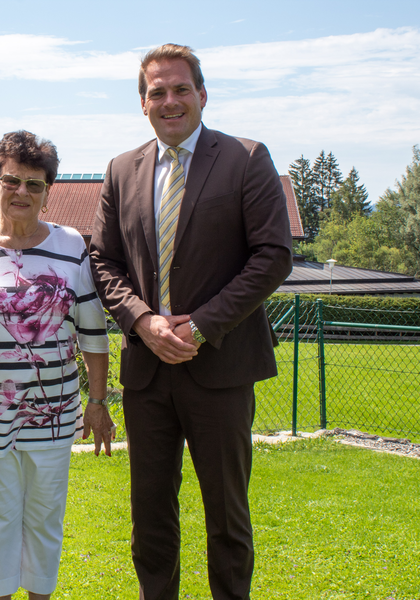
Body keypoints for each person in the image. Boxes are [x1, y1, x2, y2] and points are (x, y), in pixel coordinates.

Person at [90, 45, 293, 599]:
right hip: (147, 372)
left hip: (221, 368)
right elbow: (103, 262)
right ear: (143, 102)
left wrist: (199, 325)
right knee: (150, 517)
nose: (170, 100)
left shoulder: (246, 158)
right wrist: (142, 321)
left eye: (181, 89)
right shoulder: (120, 170)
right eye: (158, 91)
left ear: (202, 95)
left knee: (226, 516)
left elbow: (272, 255)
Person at [0, 130, 114, 600]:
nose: (21, 192)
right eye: (11, 181)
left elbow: (92, 331)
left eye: (34, 184)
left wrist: (97, 402)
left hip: (55, 410)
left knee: (45, 516)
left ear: (48, 191)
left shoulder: (70, 247)